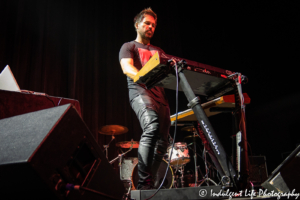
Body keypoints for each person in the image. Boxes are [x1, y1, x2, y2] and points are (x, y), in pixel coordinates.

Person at [119, 8, 170, 190]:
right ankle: (144, 183)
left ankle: (151, 179)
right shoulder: (129, 46)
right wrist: (142, 77)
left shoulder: (158, 51)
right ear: (137, 25)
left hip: (161, 98)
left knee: (163, 141)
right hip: (140, 91)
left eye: (153, 25)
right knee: (152, 127)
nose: (150, 27)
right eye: (147, 23)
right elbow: (127, 68)